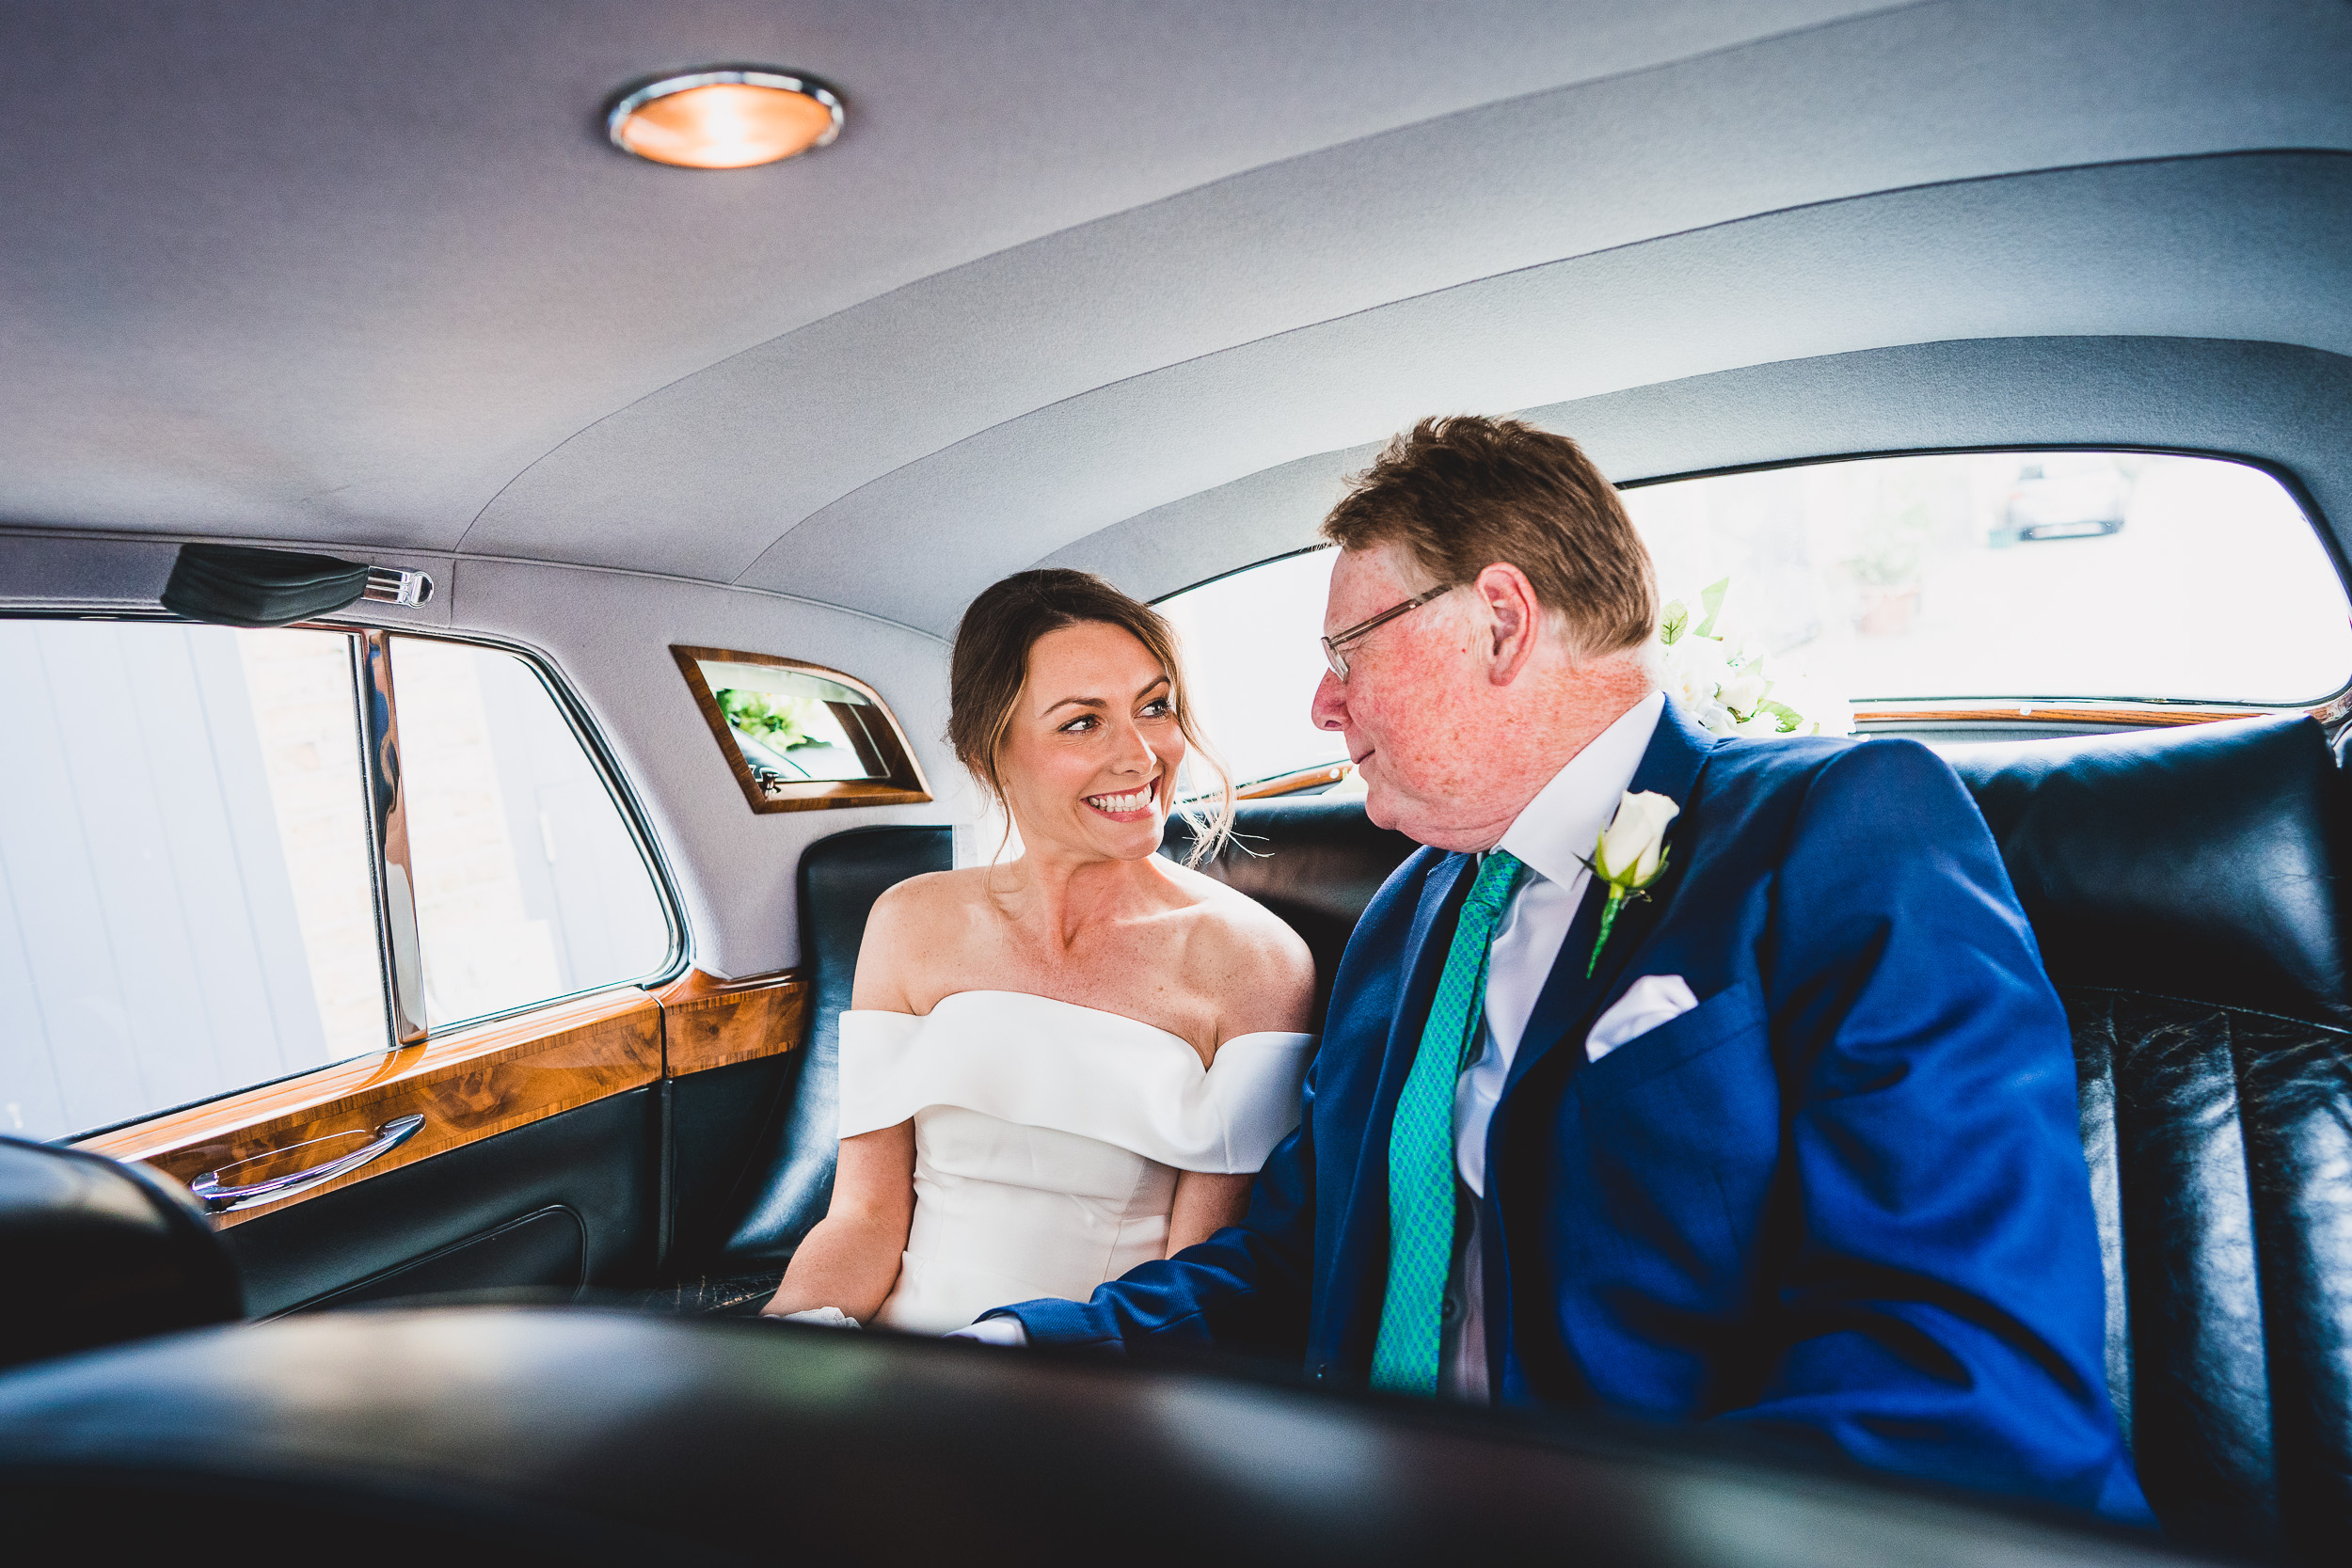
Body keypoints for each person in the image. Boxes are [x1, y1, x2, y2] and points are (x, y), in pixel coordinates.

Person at [964, 417, 2149, 1524]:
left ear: (1499, 618)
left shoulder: (1840, 826)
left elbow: (1962, 1370)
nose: (1324, 702)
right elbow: (1291, 1260)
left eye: (1348, 651)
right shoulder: (1405, 914)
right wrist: (1017, 1357)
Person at [761, 569, 1316, 1333]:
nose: (1142, 755)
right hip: (893, 1369)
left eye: (1154, 707)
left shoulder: (1255, 962)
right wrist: (785, 1351)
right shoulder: (907, 922)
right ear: (991, 753)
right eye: (1083, 722)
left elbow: (1206, 1275)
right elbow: (862, 1218)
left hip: (1093, 1373)